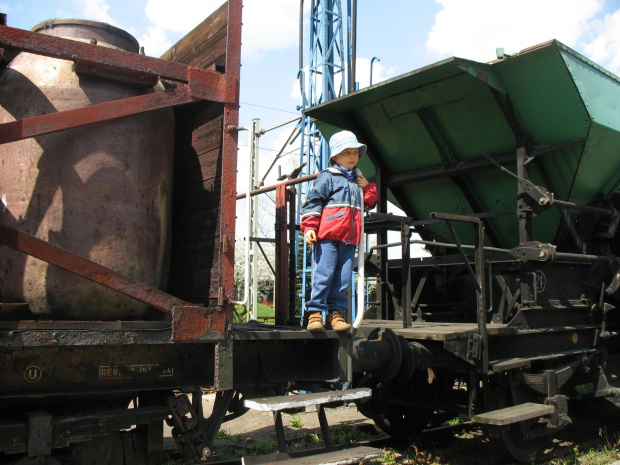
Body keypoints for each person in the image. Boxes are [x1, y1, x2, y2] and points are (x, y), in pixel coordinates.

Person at [300, 130, 378, 331]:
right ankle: (315, 314)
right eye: (347, 152)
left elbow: (369, 204)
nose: (353, 156)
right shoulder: (328, 176)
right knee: (323, 274)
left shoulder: (357, 181)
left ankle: (336, 316)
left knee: (343, 278)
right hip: (327, 236)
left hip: (350, 239)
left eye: (355, 152)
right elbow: (313, 201)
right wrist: (310, 226)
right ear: (335, 156)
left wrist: (367, 187)